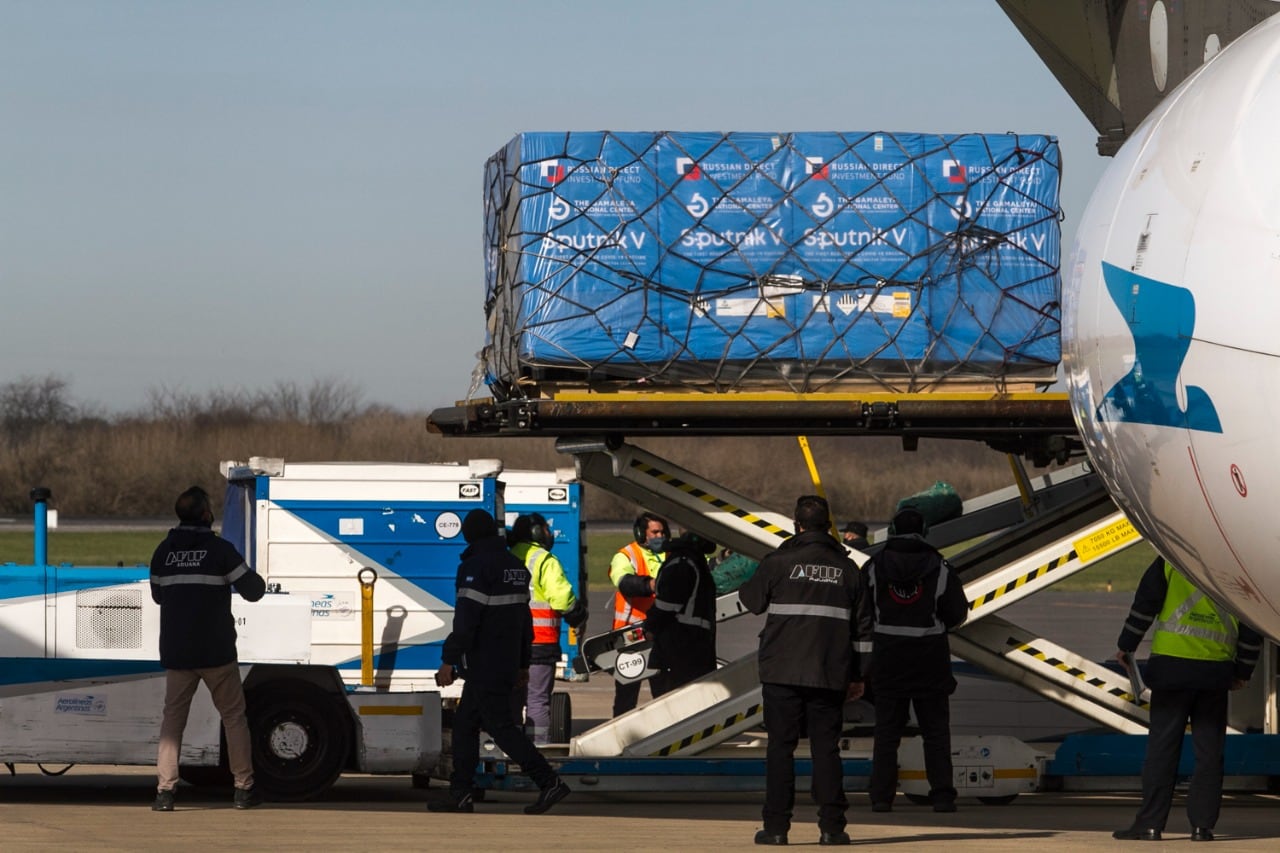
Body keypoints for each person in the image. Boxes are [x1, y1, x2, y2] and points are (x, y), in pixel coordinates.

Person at [739, 495, 873, 847]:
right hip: (828, 674)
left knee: (780, 750)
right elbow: (863, 631)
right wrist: (858, 676)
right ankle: (832, 828)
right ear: (828, 526)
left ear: (796, 525)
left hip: (781, 672)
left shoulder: (779, 562)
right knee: (826, 750)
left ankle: (776, 828)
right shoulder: (848, 570)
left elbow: (752, 601)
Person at [430, 509, 570, 815]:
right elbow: (525, 621)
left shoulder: (475, 567)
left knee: (502, 728)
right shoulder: (514, 566)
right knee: (466, 726)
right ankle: (461, 793)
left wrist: (448, 661)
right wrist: (522, 663)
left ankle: (549, 781)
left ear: (470, 535)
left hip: (484, 663)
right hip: (504, 662)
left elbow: (466, 622)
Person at [1111, 557, 1261, 842]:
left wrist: (1126, 645)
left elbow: (1145, 603)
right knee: (1209, 753)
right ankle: (1202, 827)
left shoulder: (1170, 559)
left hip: (1171, 667)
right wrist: (1243, 670)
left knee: (1162, 749)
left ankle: (1150, 824)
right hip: (1215, 671)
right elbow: (1250, 625)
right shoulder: (1235, 562)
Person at [149, 485, 266, 812]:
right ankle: (243, 789)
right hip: (217, 653)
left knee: (173, 720)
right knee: (233, 718)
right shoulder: (220, 551)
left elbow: (158, 596)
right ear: (205, 514)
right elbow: (254, 591)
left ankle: (165, 793)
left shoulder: (163, 552)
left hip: (178, 653)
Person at [863, 506, 968, 814]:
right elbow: (957, 614)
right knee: (935, 733)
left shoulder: (874, 566)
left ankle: (881, 797)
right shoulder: (939, 566)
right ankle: (942, 796)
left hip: (888, 659)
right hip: (929, 660)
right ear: (923, 532)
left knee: (886, 734)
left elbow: (861, 611)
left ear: (892, 531)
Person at [508, 512, 587, 744]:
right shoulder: (544, 560)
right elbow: (562, 600)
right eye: (546, 529)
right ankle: (537, 750)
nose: (550, 534)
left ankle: (510, 749)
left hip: (509, 643)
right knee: (537, 700)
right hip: (539, 643)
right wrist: (579, 617)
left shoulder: (507, 557)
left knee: (512, 701)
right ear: (535, 532)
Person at [608, 511, 669, 716]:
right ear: (641, 534)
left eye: (662, 532)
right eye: (655, 532)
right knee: (627, 694)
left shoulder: (669, 554)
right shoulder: (626, 555)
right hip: (631, 636)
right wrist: (652, 584)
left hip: (661, 633)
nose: (660, 536)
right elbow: (624, 582)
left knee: (664, 693)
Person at [645, 531, 718, 696]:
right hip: (688, 650)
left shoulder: (683, 563)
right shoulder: (690, 563)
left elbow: (665, 607)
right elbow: (668, 606)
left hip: (680, 651)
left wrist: (649, 627)